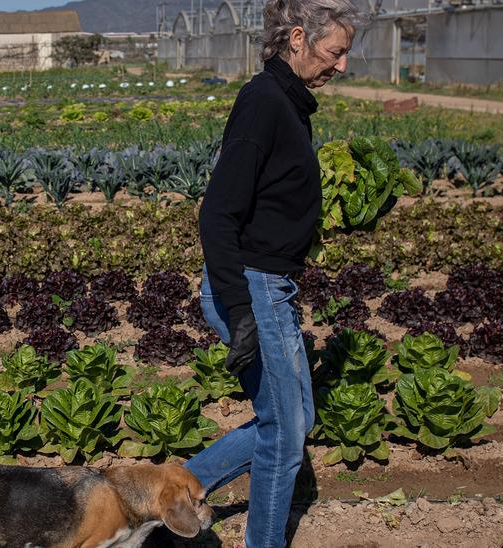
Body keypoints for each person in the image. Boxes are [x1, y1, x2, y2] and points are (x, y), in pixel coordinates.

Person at [184, 1, 361, 546]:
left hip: (271, 285)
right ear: (299, 39)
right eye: (336, 52)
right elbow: (217, 212)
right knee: (285, 435)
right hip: (252, 287)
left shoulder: (291, 104)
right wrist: (240, 312)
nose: (343, 66)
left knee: (292, 419)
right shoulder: (264, 102)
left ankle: (176, 489)